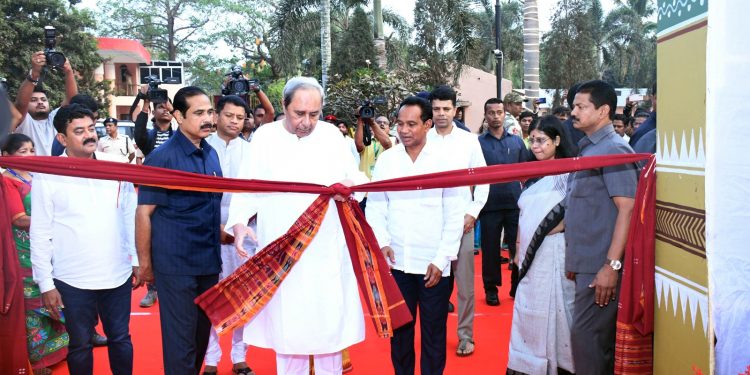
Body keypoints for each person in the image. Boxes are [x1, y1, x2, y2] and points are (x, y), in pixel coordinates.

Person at [226, 77, 368, 375]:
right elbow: (246, 187)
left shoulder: (331, 136)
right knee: (288, 335)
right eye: (299, 114)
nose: (306, 122)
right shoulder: (264, 138)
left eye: (314, 114)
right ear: (283, 106)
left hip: (326, 250)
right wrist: (239, 224)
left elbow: (357, 181)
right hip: (283, 253)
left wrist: (351, 186)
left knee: (329, 333)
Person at [30, 104, 138, 375]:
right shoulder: (48, 174)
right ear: (62, 139)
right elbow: (40, 231)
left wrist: (136, 260)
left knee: (121, 339)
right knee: (79, 345)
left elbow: (130, 216)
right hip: (71, 278)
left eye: (92, 128)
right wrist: (46, 283)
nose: (89, 135)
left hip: (117, 274)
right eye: (79, 131)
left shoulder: (116, 167)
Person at [367, 95, 463, 374]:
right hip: (396, 265)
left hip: (434, 266)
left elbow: (455, 214)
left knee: (434, 336)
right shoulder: (387, 161)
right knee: (400, 336)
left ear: (428, 125)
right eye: (400, 124)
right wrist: (382, 243)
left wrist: (442, 258)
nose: (404, 130)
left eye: (412, 124)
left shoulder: (446, 161)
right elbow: (376, 205)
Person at [135, 86, 223, 374]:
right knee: (180, 341)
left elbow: (209, 209)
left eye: (209, 111)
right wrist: (146, 264)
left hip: (208, 262)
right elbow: (144, 213)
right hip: (176, 266)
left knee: (200, 337)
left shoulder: (211, 154)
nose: (207, 118)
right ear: (178, 116)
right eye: (198, 113)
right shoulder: (162, 158)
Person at [566, 80, 638, 374]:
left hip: (602, 269)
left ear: (604, 110)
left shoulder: (614, 150)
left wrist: (611, 266)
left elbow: (628, 209)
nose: (573, 112)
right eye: (573, 106)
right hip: (588, 265)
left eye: (581, 107)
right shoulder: (590, 149)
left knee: (589, 344)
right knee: (589, 346)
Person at [507, 116, 577, 375]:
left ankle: (559, 365)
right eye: (532, 140)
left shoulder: (569, 173)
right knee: (530, 309)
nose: (535, 146)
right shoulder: (531, 172)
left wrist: (556, 228)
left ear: (557, 141)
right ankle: (529, 364)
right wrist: (517, 246)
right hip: (529, 253)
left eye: (542, 141)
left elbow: (576, 210)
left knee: (557, 310)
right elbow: (525, 213)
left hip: (554, 252)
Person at [427, 85, 488, 357]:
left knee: (465, 285)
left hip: (461, 223)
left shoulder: (468, 141)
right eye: (436, 109)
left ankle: (466, 336)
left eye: (446, 109)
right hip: (428, 223)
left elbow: (483, 180)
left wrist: (472, 213)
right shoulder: (421, 138)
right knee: (433, 283)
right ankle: (435, 335)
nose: (441, 114)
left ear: (455, 110)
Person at [2, 134, 69, 375]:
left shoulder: (38, 175)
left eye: (32, 150)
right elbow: (18, 219)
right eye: (23, 151)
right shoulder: (7, 181)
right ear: (6, 156)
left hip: (49, 245)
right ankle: (36, 361)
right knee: (32, 304)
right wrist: (54, 222)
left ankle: (60, 350)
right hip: (23, 252)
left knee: (58, 292)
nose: (30, 155)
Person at [203, 95, 256, 375]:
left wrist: (240, 226)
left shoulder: (252, 151)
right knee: (210, 296)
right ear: (216, 115)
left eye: (240, 117)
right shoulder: (202, 147)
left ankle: (239, 357)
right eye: (229, 116)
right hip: (207, 232)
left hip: (243, 235)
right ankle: (211, 359)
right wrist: (216, 230)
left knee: (241, 297)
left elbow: (260, 195)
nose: (234, 122)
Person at [478, 98, 529, 305]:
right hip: (489, 204)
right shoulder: (478, 143)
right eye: (491, 113)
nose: (496, 116)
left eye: (499, 112)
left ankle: (517, 285)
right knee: (490, 249)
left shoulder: (516, 141)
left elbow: (526, 171)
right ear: (486, 115)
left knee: (518, 248)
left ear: (504, 114)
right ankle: (491, 288)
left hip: (515, 203)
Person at [13, 52, 78, 156]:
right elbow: (21, 103)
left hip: (57, 171)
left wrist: (69, 72)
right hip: (31, 171)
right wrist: (34, 74)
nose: (40, 102)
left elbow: (73, 100)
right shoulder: (24, 122)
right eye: (33, 100)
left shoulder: (55, 119)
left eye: (43, 99)